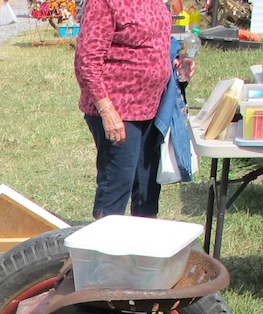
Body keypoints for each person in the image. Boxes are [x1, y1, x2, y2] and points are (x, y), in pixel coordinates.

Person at [74, 0, 193, 218]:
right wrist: (107, 111)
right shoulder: (104, 3)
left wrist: (176, 59)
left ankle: (141, 246)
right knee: (117, 185)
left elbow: (158, 37)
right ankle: (103, 247)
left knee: (147, 187)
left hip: (152, 108)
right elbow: (87, 61)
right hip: (118, 110)